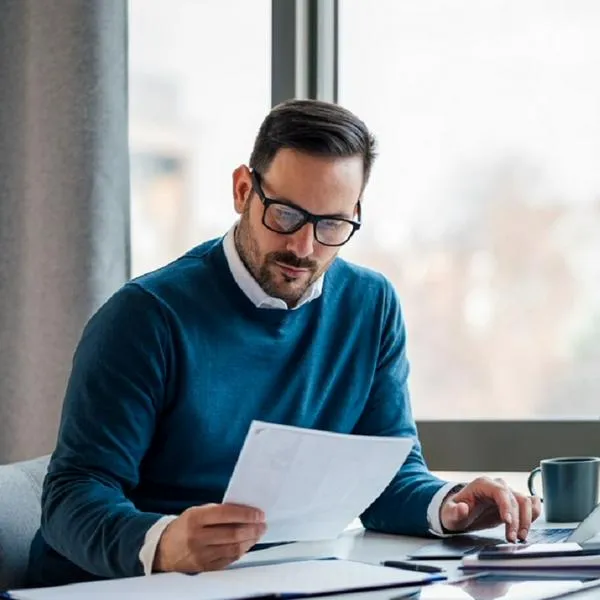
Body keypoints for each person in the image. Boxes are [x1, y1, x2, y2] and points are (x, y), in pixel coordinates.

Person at [27, 99, 541, 587]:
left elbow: (387, 476)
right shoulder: (145, 318)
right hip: (116, 588)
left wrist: (450, 504)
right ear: (242, 190)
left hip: (272, 580)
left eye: (332, 224)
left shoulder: (371, 306)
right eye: (287, 215)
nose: (304, 246)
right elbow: (72, 498)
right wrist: (163, 542)